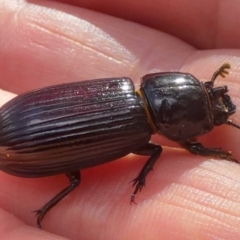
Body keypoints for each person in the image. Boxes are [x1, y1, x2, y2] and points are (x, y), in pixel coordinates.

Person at [0, 1, 240, 239]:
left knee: (78, 180)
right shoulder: (140, 132)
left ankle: (43, 211)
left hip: (22, 119)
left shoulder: (122, 86)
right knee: (78, 181)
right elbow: (191, 147)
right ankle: (43, 210)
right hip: (24, 147)